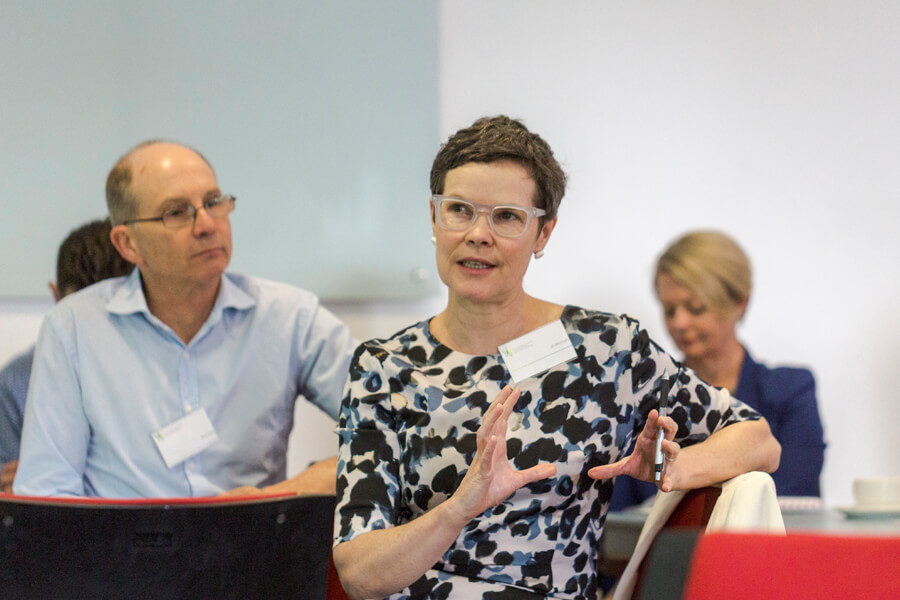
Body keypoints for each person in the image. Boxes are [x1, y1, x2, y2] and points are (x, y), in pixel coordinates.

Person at [331, 116, 781, 599]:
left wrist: (672, 469)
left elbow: (758, 440)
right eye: (459, 210)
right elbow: (360, 572)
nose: (478, 234)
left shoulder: (607, 349)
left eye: (506, 217)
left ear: (543, 234)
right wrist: (459, 507)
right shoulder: (385, 366)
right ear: (435, 220)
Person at [14, 140, 355, 498]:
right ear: (128, 243)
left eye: (213, 202)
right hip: (121, 550)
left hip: (254, 544)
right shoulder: (74, 327)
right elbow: (48, 493)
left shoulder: (290, 317)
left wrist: (293, 490)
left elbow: (395, 432)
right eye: (176, 212)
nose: (206, 224)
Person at [610, 231, 826, 511]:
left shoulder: (791, 391)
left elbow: (796, 502)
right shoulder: (641, 399)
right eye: (669, 310)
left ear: (740, 302)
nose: (680, 322)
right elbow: (617, 520)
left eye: (696, 308)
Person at [0, 219, 133, 494]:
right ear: (55, 297)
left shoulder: (167, 362)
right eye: (77, 315)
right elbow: (15, 490)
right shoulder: (15, 383)